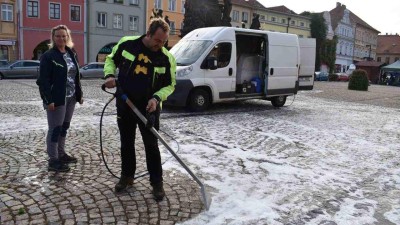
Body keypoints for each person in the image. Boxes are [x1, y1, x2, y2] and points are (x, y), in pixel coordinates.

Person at [103, 18, 176, 201]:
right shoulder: (128, 44)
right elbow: (111, 59)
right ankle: (127, 177)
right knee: (126, 142)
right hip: (125, 103)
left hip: (148, 108)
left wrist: (156, 97)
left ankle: (157, 183)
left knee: (151, 145)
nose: (160, 45)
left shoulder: (166, 57)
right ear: (149, 34)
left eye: (164, 42)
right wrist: (110, 75)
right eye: (157, 40)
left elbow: (170, 85)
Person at [37, 25, 83, 172]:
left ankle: (61, 154)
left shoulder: (71, 53)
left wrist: (79, 95)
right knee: (55, 129)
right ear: (53, 38)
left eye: (64, 36)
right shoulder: (48, 56)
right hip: (57, 98)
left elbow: (76, 76)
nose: (61, 38)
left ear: (67, 37)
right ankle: (53, 160)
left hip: (71, 98)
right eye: (58, 36)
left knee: (64, 127)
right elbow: (43, 80)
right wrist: (48, 100)